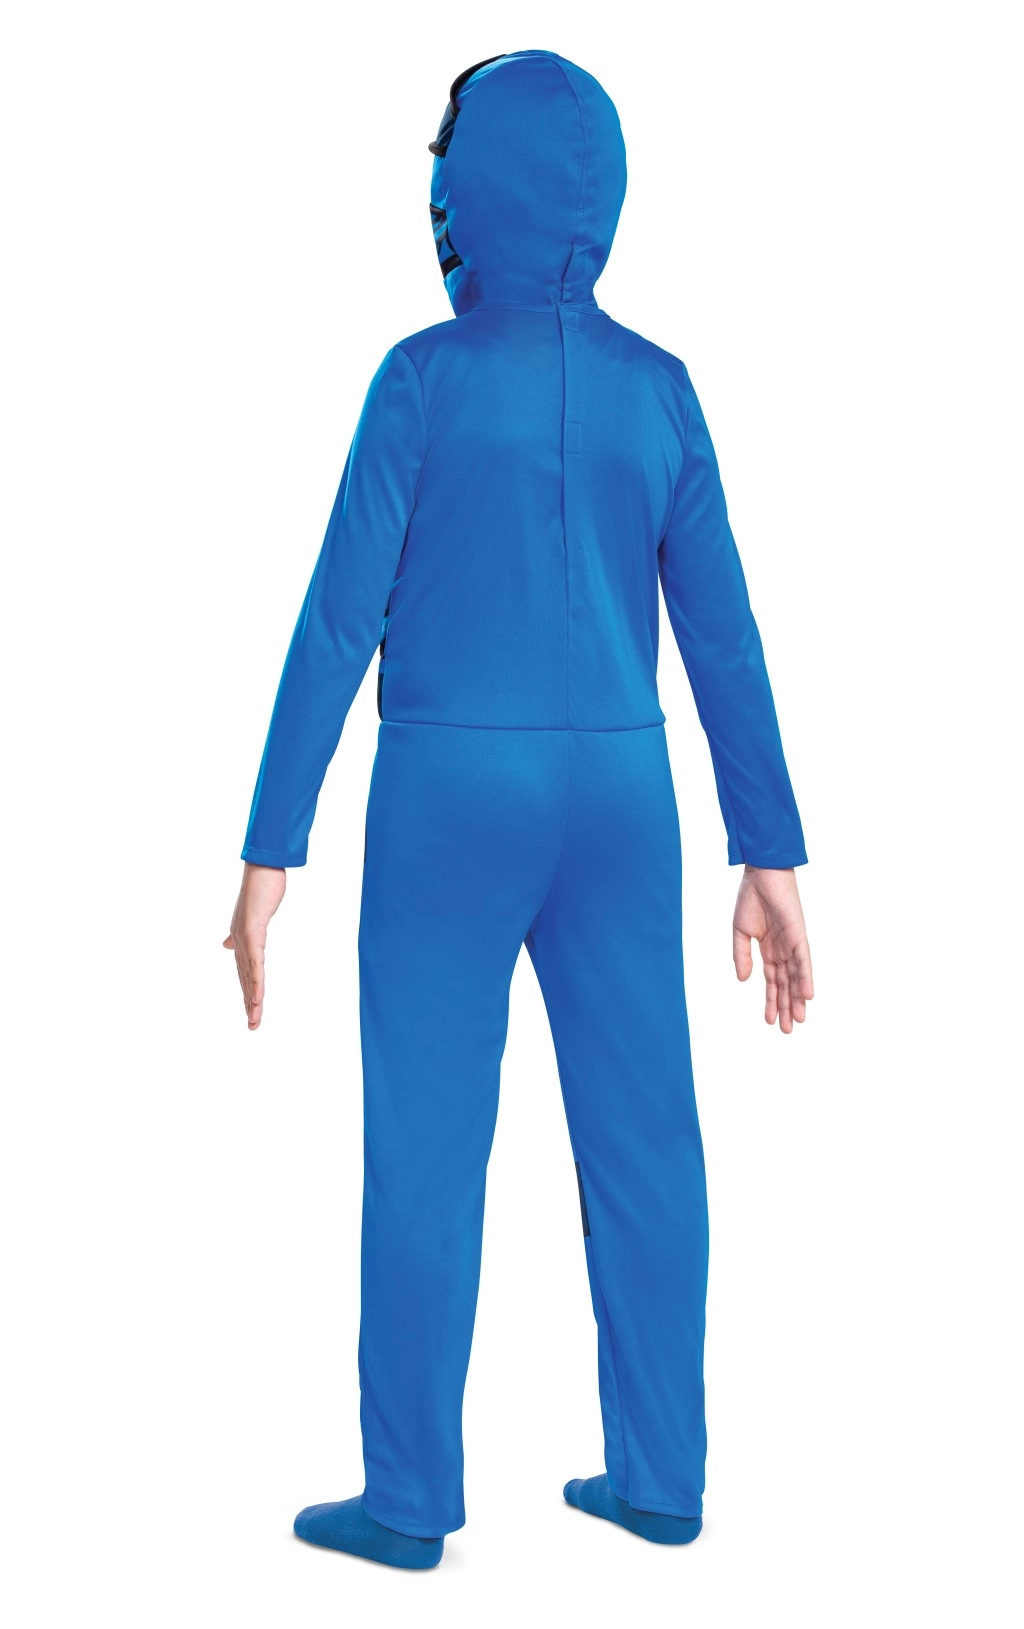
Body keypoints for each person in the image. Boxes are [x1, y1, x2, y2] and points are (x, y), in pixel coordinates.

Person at [224, 49, 813, 1571]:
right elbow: (725, 635)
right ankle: (663, 1475)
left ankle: (408, 1499)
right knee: (648, 1139)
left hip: (447, 799)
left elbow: (336, 620)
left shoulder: (419, 380)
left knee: (427, 1146)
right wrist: (770, 847)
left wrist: (274, 840)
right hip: (623, 796)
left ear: (462, 191)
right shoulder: (661, 388)